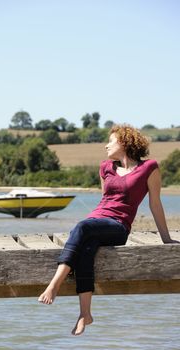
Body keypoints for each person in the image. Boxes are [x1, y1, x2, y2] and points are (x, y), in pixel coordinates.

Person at [38, 124, 177, 336]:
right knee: (87, 249)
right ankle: (85, 313)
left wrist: (166, 238)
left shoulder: (149, 168)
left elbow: (155, 204)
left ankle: (54, 285)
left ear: (124, 142)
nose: (106, 146)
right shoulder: (105, 168)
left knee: (83, 227)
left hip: (118, 226)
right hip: (96, 222)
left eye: (110, 142)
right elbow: (106, 200)